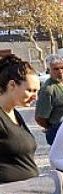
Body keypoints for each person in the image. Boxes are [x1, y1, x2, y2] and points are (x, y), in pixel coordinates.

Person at [0, 55, 40, 184]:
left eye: (37, 91)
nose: (35, 97)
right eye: (30, 90)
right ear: (12, 85)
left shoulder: (14, 113)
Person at [35, 54, 63, 145]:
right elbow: (40, 118)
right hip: (57, 130)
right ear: (49, 71)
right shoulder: (48, 89)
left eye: (62, 68)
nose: (60, 71)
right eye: (56, 69)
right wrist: (51, 128)